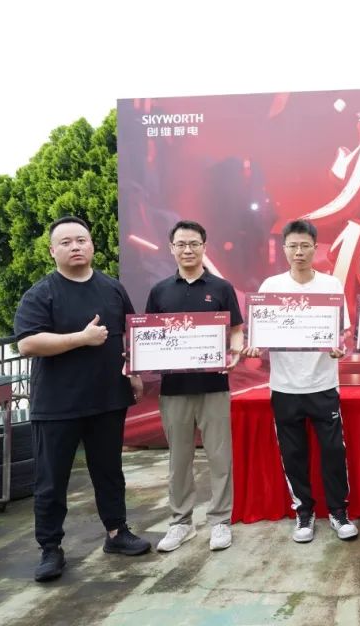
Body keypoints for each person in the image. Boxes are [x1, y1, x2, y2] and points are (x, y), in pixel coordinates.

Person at [14, 216, 151, 583]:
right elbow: (28, 343)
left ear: (92, 245)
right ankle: (50, 547)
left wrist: (135, 373)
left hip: (107, 398)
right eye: (66, 242)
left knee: (109, 472)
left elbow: (130, 334)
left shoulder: (112, 288)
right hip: (57, 405)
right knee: (51, 480)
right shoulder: (41, 293)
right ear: (52, 251)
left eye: (81, 240)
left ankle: (117, 532)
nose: (75, 247)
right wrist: (80, 339)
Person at [244, 219, 358, 543]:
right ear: (284, 249)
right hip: (285, 385)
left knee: (333, 451)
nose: (299, 252)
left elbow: (343, 333)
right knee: (293, 454)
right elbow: (260, 334)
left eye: (305, 246)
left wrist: (340, 347)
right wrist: (256, 346)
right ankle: (304, 513)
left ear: (314, 248)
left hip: (323, 383)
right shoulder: (271, 286)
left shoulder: (331, 286)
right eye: (293, 246)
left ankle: (338, 512)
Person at [145, 220, 244, 553]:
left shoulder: (221, 288)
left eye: (194, 244)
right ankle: (181, 522)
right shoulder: (159, 291)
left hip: (214, 385)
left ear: (204, 247)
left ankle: (220, 521)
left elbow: (236, 330)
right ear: (171, 248)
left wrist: (235, 352)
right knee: (179, 458)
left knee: (219, 456)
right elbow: (149, 337)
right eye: (181, 244)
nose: (188, 250)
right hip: (173, 388)